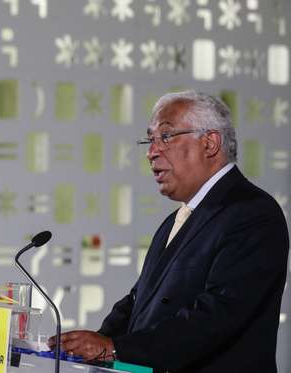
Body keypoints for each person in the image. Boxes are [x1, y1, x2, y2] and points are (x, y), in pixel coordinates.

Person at [50, 90, 289, 372]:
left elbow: (216, 316)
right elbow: (139, 302)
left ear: (210, 143)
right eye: (150, 140)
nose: (152, 152)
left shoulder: (252, 212)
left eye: (165, 136)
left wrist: (114, 349)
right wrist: (92, 343)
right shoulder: (175, 220)